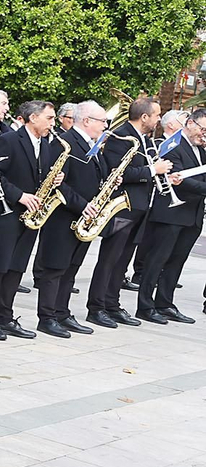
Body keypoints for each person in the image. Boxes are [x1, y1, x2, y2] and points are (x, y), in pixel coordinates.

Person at [0, 100, 61, 340]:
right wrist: (20, 196)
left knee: (15, 270)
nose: (52, 124)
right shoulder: (9, 140)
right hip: (6, 213)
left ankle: (6, 316)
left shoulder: (44, 145)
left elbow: (38, 175)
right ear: (33, 118)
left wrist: (53, 179)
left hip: (29, 216)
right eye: (49, 118)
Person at [86, 97, 169, 327]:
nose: (159, 119)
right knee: (109, 259)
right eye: (156, 115)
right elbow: (119, 172)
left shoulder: (143, 138)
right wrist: (153, 169)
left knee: (122, 262)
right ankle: (96, 307)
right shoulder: (121, 136)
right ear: (144, 117)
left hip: (138, 207)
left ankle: (112, 304)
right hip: (122, 207)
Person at [34, 101, 107, 336]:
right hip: (63, 216)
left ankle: (62, 312)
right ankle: (46, 317)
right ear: (86, 121)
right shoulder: (64, 142)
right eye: (102, 121)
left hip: (84, 217)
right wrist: (83, 205)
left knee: (71, 268)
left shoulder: (92, 144)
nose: (105, 125)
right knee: (55, 268)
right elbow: (58, 182)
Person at [134, 110, 206, 323]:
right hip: (171, 214)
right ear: (190, 123)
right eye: (202, 128)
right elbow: (181, 180)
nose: (204, 133)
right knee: (157, 261)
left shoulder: (200, 149)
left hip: (192, 215)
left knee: (177, 261)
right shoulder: (173, 146)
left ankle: (165, 303)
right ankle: (145, 306)